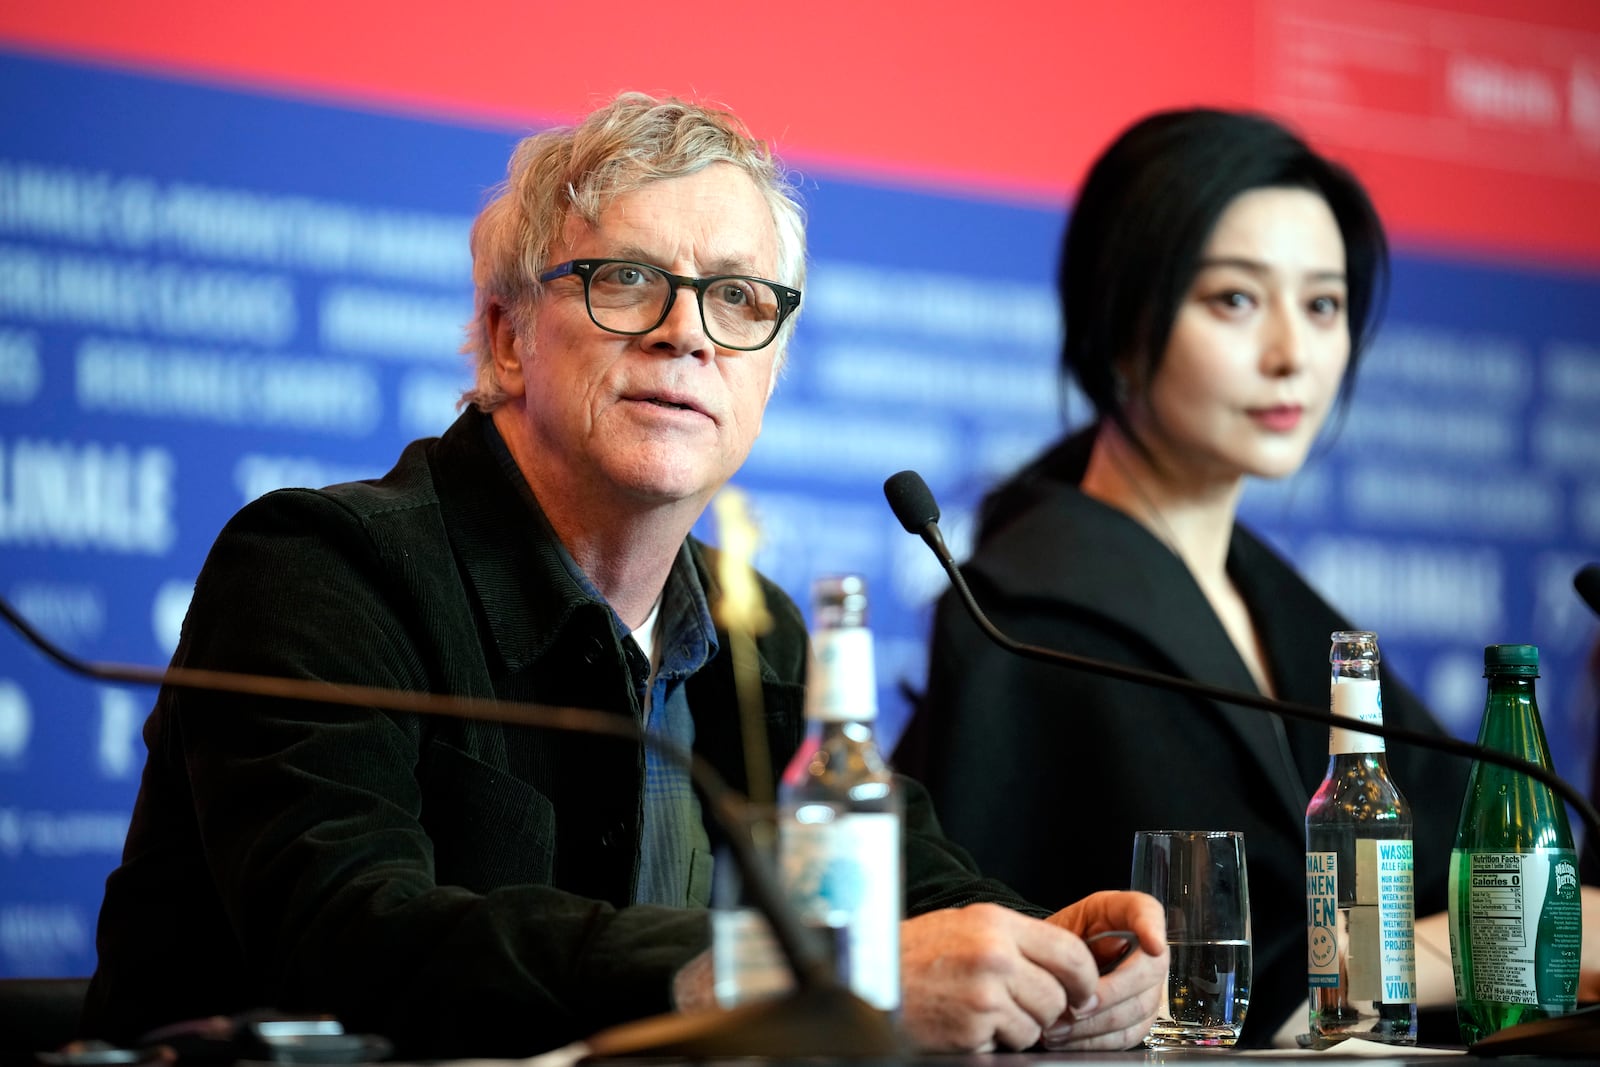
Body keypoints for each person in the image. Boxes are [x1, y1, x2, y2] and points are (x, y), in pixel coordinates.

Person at [78, 93, 1165, 1058]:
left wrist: (1051, 953)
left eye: (739, 297)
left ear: (771, 371)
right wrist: (780, 975)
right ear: (508, 337)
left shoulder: (756, 634)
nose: (686, 332)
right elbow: (346, 936)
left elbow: (909, 876)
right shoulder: (322, 569)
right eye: (629, 279)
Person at [894, 107, 1477, 1046]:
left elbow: (1483, 858)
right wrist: (1490, 945)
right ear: (1123, 320)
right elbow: (1248, 981)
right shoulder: (1035, 618)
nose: (1293, 353)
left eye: (1323, 305)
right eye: (1236, 300)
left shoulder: (1282, 605)